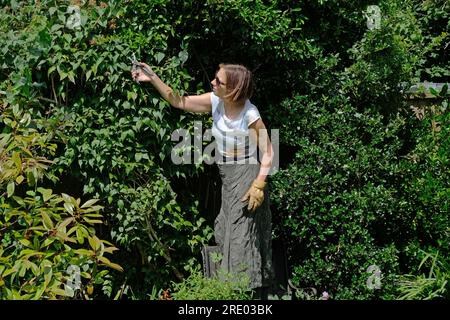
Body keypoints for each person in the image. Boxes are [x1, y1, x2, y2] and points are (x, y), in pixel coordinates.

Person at [131, 62, 274, 299]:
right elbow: (178, 101)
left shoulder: (250, 114)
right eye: (215, 79)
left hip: (248, 175)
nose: (213, 83)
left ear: (234, 89)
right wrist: (152, 77)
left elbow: (268, 151)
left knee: (240, 236)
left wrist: (259, 184)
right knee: (225, 230)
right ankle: (234, 293)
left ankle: (248, 296)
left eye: (219, 82)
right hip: (227, 176)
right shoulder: (216, 100)